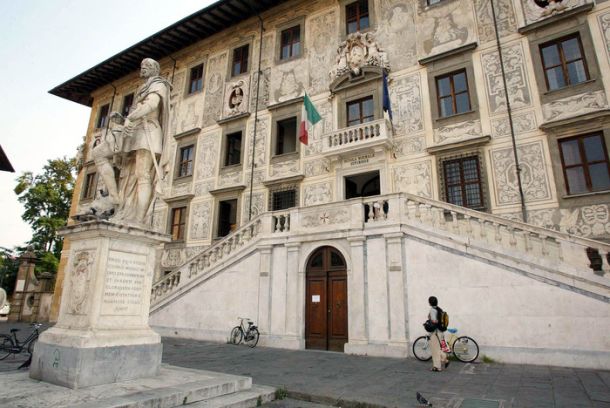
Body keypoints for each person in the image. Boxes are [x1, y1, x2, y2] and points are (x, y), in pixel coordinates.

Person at [90, 58, 171, 225]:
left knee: (142, 175)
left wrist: (130, 118)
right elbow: (137, 112)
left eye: (147, 66)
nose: (143, 68)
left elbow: (151, 105)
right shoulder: (143, 88)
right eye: (142, 66)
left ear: (155, 69)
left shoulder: (159, 85)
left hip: (148, 132)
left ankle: (139, 220)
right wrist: (123, 119)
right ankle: (115, 197)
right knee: (98, 153)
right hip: (134, 132)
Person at [428, 296, 449, 372]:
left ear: (430, 303)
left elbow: (434, 321)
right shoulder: (439, 309)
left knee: (435, 349)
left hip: (435, 332)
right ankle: (445, 359)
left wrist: (429, 321)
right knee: (439, 348)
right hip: (440, 331)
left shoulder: (432, 310)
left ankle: (437, 367)